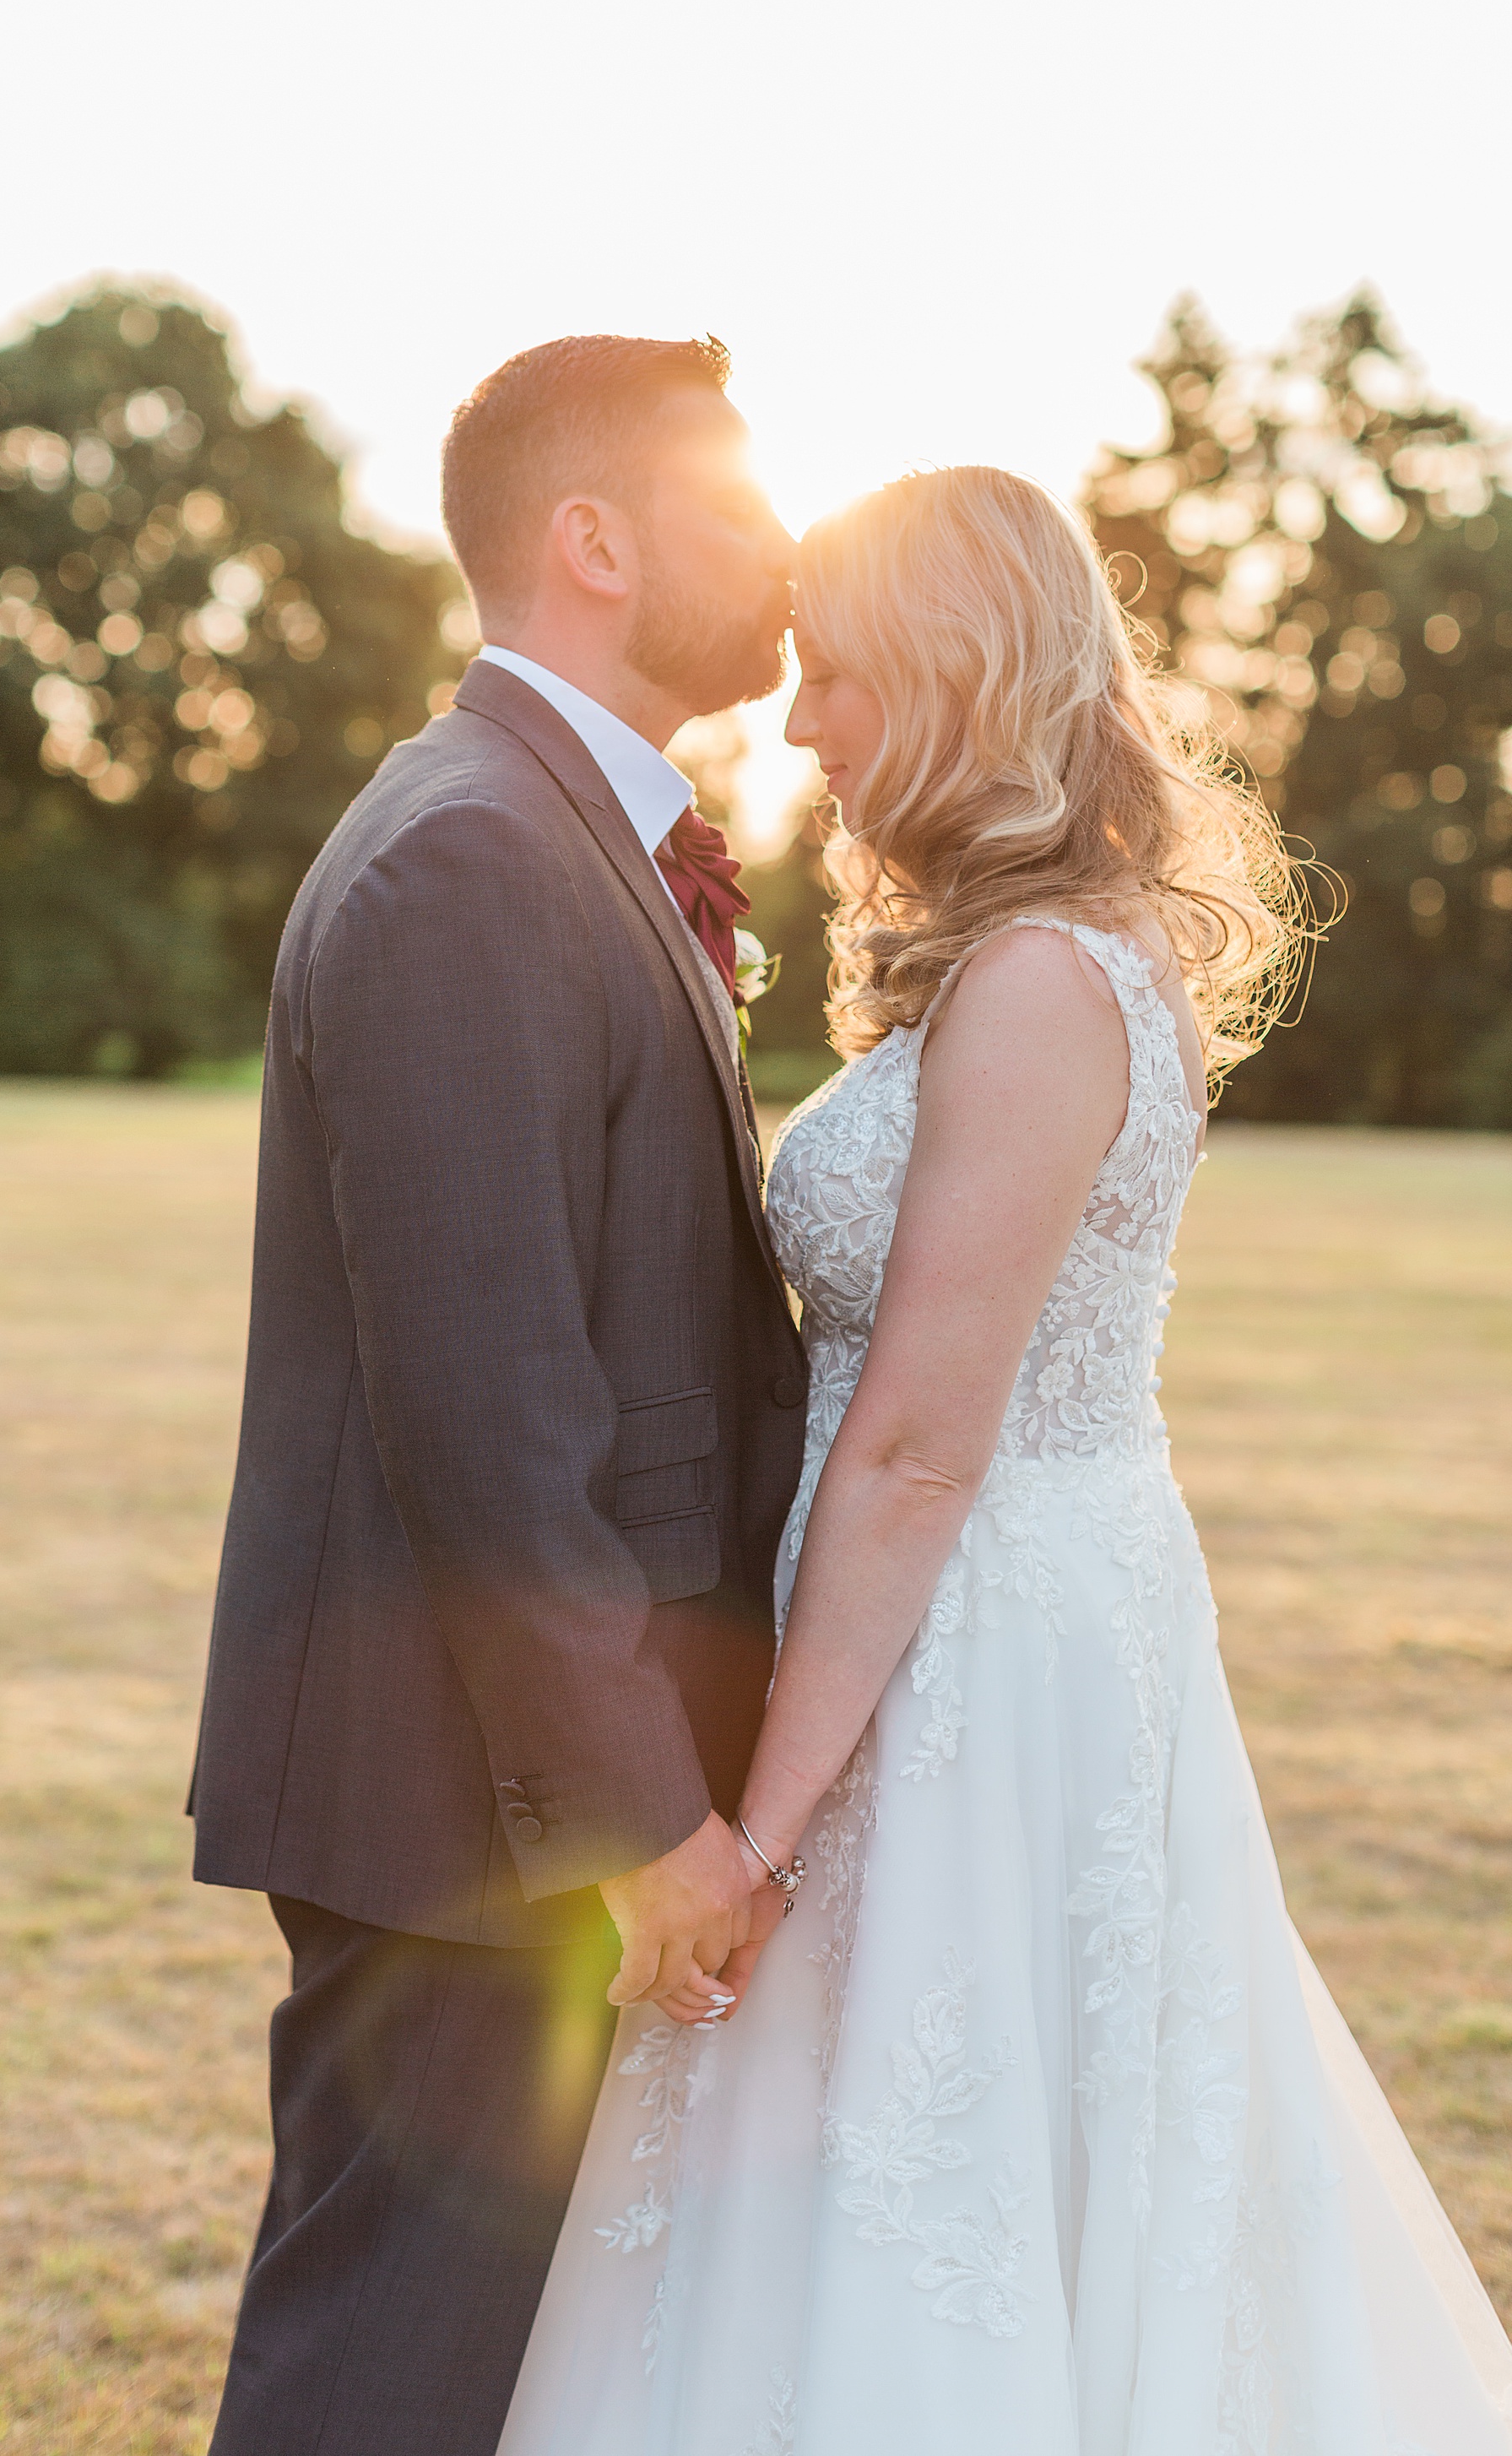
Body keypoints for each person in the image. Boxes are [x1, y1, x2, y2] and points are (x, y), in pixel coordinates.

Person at [500, 467, 1512, 2454]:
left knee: (940, 2125)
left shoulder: (1045, 987)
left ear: (959, 680)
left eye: (843, 680)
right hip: (947, 1619)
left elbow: (914, 1455)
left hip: (974, 1650)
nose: (804, 729)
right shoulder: (1022, 957)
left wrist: (755, 1836)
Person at [187, 333, 808, 2455]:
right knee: (390, 2373)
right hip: (469, 1805)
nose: (785, 549)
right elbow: (491, 1416)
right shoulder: (468, 855)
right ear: (594, 542)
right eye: (740, 506)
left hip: (515, 1794)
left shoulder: (560, 829)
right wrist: (641, 1816)